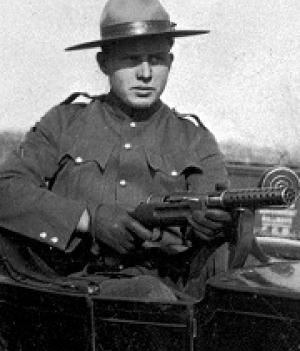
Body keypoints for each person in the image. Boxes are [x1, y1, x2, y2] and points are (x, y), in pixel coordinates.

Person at [0, 0, 232, 300]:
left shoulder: (194, 139)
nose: (145, 73)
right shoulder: (64, 122)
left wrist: (212, 226)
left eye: (157, 58)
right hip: (62, 288)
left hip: (155, 299)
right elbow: (6, 189)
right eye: (132, 59)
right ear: (103, 63)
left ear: (171, 63)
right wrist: (88, 219)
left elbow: (216, 213)